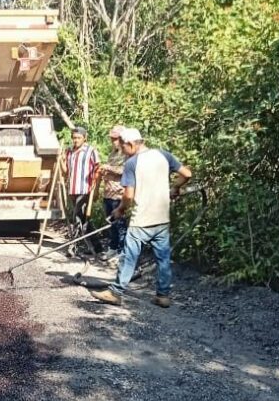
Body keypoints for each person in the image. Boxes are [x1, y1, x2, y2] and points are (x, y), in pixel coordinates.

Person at [92, 128, 192, 308]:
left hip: (142, 220)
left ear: (131, 144)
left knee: (129, 256)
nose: (122, 151)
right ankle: (163, 295)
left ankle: (115, 292)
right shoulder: (164, 155)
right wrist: (175, 188)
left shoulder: (133, 163)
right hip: (162, 219)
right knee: (163, 258)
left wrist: (120, 210)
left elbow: (128, 196)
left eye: (123, 147)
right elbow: (187, 174)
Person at [61, 126, 103, 254]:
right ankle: (97, 246)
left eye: (78, 138)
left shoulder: (91, 151)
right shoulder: (69, 152)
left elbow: (98, 169)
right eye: (74, 138)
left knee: (77, 218)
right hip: (73, 189)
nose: (76, 140)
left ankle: (73, 246)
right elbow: (66, 172)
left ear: (84, 138)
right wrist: (61, 160)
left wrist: (95, 190)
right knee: (84, 218)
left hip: (85, 189)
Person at [98, 125, 128, 260]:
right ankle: (113, 247)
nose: (114, 141)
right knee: (111, 223)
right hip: (108, 192)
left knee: (120, 224)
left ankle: (123, 250)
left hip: (119, 193)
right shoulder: (112, 153)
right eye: (112, 139)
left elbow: (124, 171)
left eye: (116, 139)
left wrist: (108, 167)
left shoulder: (127, 154)